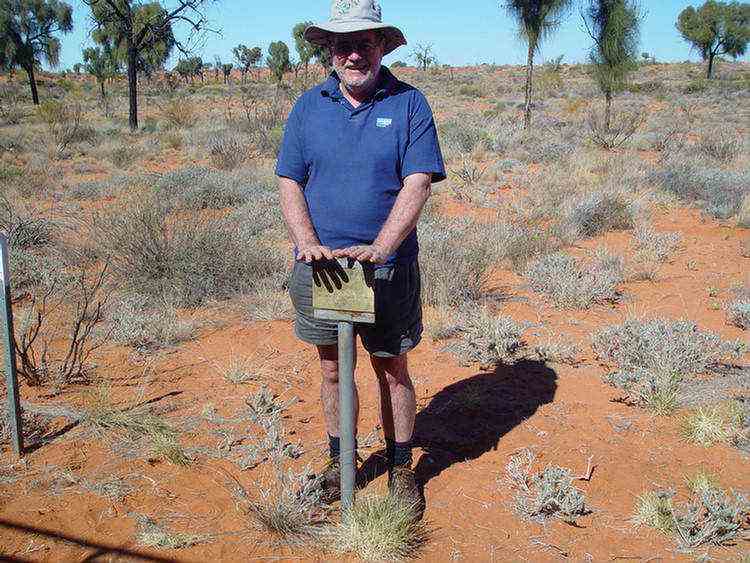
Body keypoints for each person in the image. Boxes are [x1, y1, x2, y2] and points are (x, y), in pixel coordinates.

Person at [275, 0, 445, 506]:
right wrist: (307, 243)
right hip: (323, 268)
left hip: (388, 268)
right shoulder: (308, 107)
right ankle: (339, 460)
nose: (354, 54)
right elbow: (290, 179)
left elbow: (418, 181)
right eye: (343, 44)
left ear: (381, 47)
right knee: (331, 368)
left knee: (392, 367)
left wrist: (381, 248)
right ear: (329, 50)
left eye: (364, 43)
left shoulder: (409, 103)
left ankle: (400, 468)